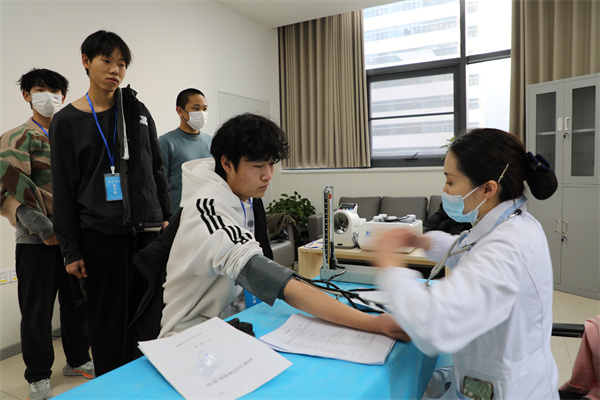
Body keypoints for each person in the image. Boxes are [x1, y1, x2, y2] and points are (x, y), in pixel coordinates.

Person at [156, 113, 407, 341]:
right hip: (187, 336)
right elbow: (266, 275)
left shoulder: (241, 196)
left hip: (223, 325)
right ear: (227, 163)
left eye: (271, 164)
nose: (268, 175)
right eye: (258, 166)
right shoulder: (208, 211)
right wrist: (372, 323)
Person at [375, 128, 560, 399]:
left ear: (488, 188)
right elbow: (469, 248)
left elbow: (435, 324)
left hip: (509, 390)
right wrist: (424, 241)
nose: (444, 190)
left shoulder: (508, 247)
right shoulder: (511, 222)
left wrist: (390, 267)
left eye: (450, 182)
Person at [50, 30, 172, 376]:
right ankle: (112, 386)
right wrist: (71, 250)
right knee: (107, 322)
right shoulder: (67, 121)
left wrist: (165, 217)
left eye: (121, 63)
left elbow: (156, 167)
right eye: (106, 60)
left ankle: (145, 384)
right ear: (86, 62)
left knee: (148, 317)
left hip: (146, 232)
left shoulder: (137, 111)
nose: (115, 69)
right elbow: (64, 190)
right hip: (100, 235)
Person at [0, 68, 93, 400]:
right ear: (27, 95)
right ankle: (38, 374)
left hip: (74, 239)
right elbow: (8, 189)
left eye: (55, 91)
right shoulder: (16, 137)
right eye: (40, 90)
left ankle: (78, 360)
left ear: (63, 97)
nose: (49, 97)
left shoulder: (72, 136)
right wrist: (43, 228)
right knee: (37, 310)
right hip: (36, 240)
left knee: (78, 303)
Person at [159, 88, 211, 217]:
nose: (201, 113)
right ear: (180, 111)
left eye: (204, 109)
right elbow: (159, 183)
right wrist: (163, 217)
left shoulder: (211, 141)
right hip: (178, 215)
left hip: (206, 214)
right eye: (196, 108)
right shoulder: (166, 142)